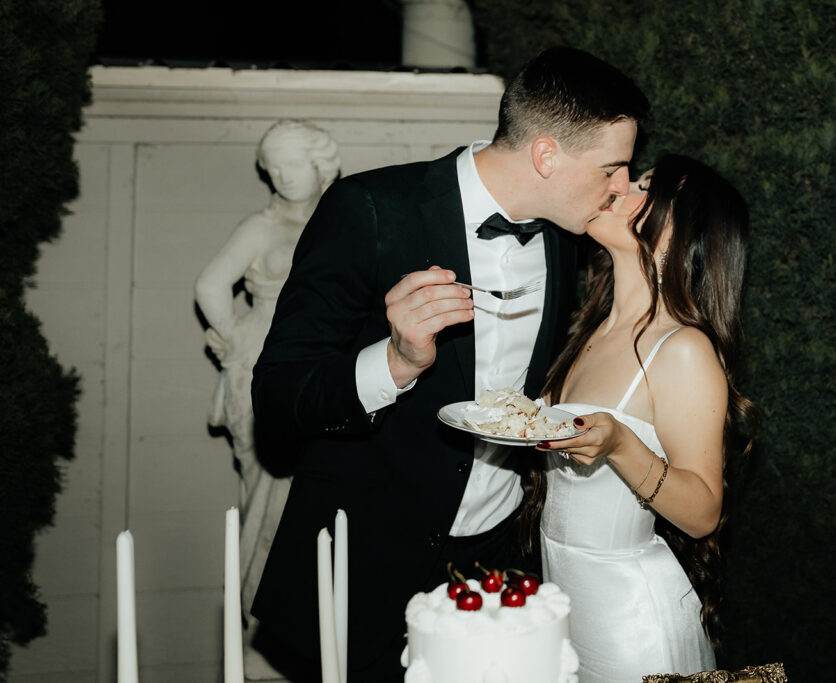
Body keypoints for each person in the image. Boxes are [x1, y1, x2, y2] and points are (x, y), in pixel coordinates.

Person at [249, 47, 649, 682]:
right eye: (613, 169)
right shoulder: (370, 209)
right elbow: (276, 398)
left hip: (502, 570)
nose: (623, 187)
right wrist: (395, 359)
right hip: (366, 574)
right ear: (546, 155)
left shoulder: (563, 239)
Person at [530, 154, 757, 681]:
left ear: (677, 238)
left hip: (630, 623)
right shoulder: (589, 332)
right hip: (563, 603)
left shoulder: (681, 348)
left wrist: (621, 446)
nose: (621, 186)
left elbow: (702, 513)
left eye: (646, 187)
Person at [193, 120, 341, 674]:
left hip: (326, 370)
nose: (282, 176)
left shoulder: (340, 218)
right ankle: (265, 635)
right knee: (268, 499)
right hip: (265, 368)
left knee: (323, 496)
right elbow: (210, 285)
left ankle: (312, 631)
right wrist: (236, 338)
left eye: (292, 164)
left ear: (320, 165)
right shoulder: (260, 226)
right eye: (273, 166)